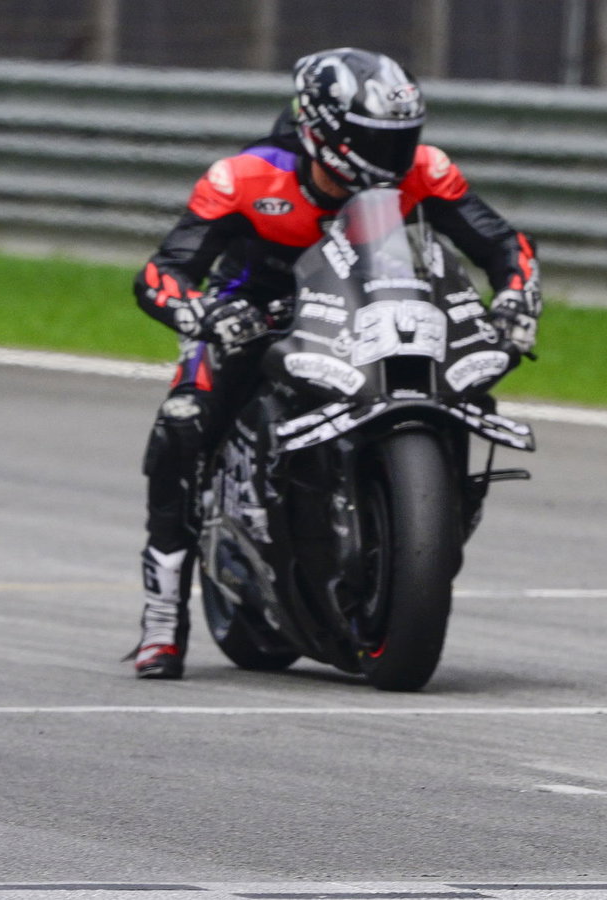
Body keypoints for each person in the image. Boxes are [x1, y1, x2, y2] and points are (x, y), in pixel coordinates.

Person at [129, 48, 541, 679]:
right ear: (324, 130)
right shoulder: (244, 178)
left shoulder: (427, 170)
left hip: (376, 307)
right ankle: (162, 619)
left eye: (403, 138)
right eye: (378, 139)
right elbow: (162, 273)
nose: (396, 154)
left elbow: (503, 244)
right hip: (259, 318)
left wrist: (514, 297)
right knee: (183, 422)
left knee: (473, 384)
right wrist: (206, 314)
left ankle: (429, 521)